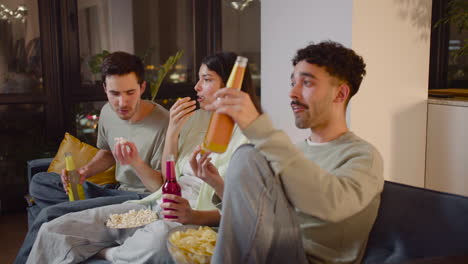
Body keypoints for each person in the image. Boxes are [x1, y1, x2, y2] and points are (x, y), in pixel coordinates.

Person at [26, 52, 262, 264]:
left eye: (207, 79)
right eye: (199, 78)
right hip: (155, 205)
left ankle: (108, 253)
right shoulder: (196, 118)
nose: (197, 86)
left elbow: (244, 210)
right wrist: (173, 130)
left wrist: (199, 204)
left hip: (188, 215)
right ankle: (106, 243)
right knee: (54, 229)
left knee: (159, 240)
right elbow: (169, 175)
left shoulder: (251, 139)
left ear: (232, 85)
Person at [207, 41, 384, 264]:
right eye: (293, 82)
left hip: (305, 258)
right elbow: (264, 212)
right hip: (270, 249)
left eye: (306, 83)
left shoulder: (363, 157)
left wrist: (260, 128)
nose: (292, 92)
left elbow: (330, 204)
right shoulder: (295, 153)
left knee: (249, 155)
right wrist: (217, 184)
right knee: (167, 240)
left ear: (340, 94)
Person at [15, 51, 169, 264]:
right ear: (105, 89)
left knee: (49, 216)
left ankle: (81, 215)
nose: (122, 102)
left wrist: (136, 162)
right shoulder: (107, 112)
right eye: (114, 93)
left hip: (141, 199)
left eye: (130, 92)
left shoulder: (164, 123)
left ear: (142, 88)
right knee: (40, 182)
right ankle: (88, 213)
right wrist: (84, 172)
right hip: (113, 191)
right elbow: (106, 153)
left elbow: (160, 187)